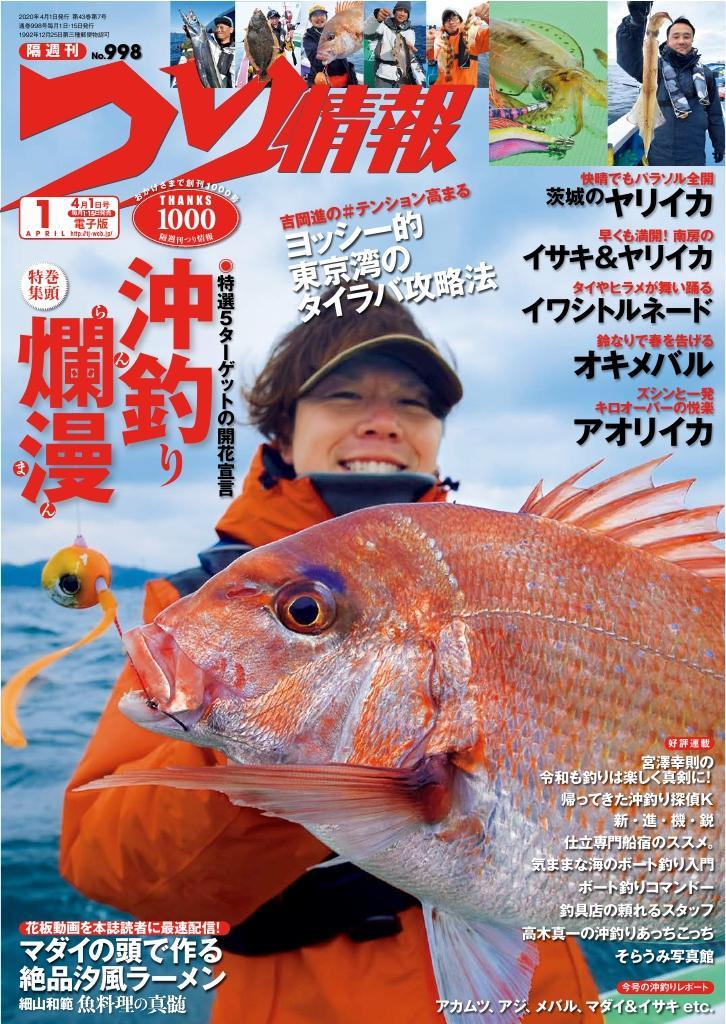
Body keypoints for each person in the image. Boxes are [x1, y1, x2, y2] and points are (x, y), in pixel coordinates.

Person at [60, 290, 603, 1024]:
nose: (383, 420)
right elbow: (106, 863)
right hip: (303, 1000)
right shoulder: (197, 611)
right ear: (283, 433)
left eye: (414, 404)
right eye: (344, 396)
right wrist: (258, 744)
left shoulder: (518, 577)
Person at [616, 3, 724, 166]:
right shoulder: (654, 68)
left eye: (686, 36)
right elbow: (628, 57)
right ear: (667, 40)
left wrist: (719, 144)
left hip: (694, 154)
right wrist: (635, 24)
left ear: (692, 40)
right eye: (676, 36)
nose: (681, 41)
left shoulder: (706, 74)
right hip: (659, 153)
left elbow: (714, 114)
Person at [364, 3, 424, 88]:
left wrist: (404, 44)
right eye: (399, 10)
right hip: (383, 73)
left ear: (408, 15)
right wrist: (375, 18)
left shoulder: (410, 31)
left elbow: (405, 51)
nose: (402, 13)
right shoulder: (383, 26)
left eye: (405, 11)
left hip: (400, 73)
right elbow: (366, 33)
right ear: (394, 12)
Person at [427, 5, 488, 87]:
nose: (451, 22)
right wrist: (428, 45)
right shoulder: (438, 39)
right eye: (447, 20)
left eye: (455, 18)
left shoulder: (475, 36)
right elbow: (430, 57)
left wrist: (488, 18)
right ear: (444, 25)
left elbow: (496, 36)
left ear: (460, 21)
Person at [303, 4, 358, 87]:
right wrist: (334, 50)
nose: (319, 18)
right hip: (325, 81)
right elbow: (315, 60)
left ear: (326, 17)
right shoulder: (308, 37)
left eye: (322, 14)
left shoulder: (336, 30)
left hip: (346, 77)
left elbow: (350, 48)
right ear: (310, 20)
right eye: (315, 15)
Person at [177, 13, 236, 88]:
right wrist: (189, 35)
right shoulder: (207, 38)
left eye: (222, 27)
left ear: (231, 30)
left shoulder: (235, 51)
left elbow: (234, 76)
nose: (218, 30)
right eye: (217, 27)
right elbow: (195, 38)